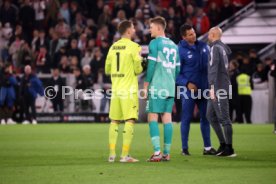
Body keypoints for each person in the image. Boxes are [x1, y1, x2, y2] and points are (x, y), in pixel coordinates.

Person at [105, 20, 143, 163]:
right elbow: (138, 69)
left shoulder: (113, 47)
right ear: (128, 31)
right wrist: (141, 62)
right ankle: (125, 155)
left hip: (115, 89)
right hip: (129, 89)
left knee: (114, 121)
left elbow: (107, 69)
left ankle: (111, 154)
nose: (134, 29)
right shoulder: (134, 47)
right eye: (133, 27)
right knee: (130, 120)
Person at [143, 16, 180, 162]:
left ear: (158, 28)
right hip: (170, 86)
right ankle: (166, 153)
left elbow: (151, 66)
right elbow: (178, 69)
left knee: (152, 116)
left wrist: (146, 84)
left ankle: (157, 152)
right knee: (167, 117)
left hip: (157, 86)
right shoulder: (174, 45)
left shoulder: (155, 43)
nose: (149, 29)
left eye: (151, 27)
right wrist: (170, 80)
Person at [176, 24, 216, 156]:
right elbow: (176, 73)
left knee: (206, 118)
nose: (194, 35)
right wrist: (187, 83)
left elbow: (210, 67)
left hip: (204, 88)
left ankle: (208, 147)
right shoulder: (179, 50)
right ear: (184, 37)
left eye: (194, 33)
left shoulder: (204, 46)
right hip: (188, 90)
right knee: (186, 118)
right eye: (190, 34)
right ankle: (184, 148)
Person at [206, 27, 236, 157]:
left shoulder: (215, 48)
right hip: (221, 84)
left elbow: (214, 68)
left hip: (219, 87)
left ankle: (229, 148)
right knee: (210, 115)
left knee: (224, 118)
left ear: (213, 34)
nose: (207, 36)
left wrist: (212, 87)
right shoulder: (223, 47)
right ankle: (223, 144)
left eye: (208, 34)